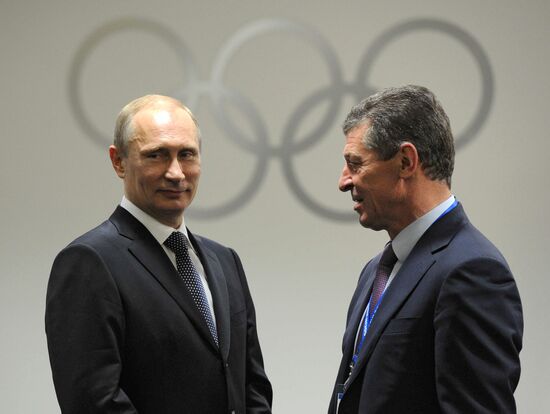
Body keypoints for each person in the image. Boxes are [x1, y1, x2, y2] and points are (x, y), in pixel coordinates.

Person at [45, 95, 272, 414]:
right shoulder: (89, 262)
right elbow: (95, 402)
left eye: (187, 154)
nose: (176, 173)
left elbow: (253, 387)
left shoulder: (225, 261)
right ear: (118, 161)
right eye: (157, 155)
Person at [328, 85, 523, 413]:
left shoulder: (473, 271)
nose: (344, 181)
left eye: (356, 164)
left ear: (406, 161)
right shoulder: (377, 270)